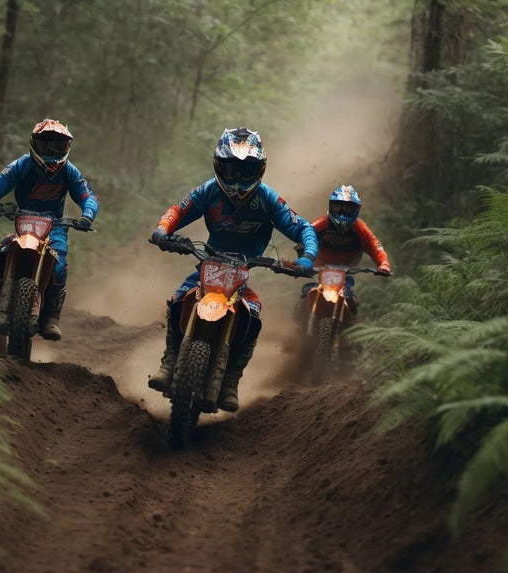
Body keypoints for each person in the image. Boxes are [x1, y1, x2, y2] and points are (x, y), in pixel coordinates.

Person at [147, 126, 318, 411]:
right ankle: (168, 362)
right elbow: (179, 209)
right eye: (231, 169)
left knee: (253, 315)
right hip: (209, 263)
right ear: (218, 165)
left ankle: (231, 382)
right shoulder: (209, 190)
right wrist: (163, 230)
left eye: (245, 170)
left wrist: (307, 256)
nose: (237, 179)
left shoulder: (267, 198)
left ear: (259, 169)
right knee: (180, 297)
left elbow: (301, 227)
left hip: (242, 272)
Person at [0, 119, 100, 341]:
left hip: (55, 226)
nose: (52, 152)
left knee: (59, 263)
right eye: (46, 146)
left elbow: (87, 195)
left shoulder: (69, 171)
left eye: (58, 146)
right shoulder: (22, 165)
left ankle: (51, 318)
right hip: (22, 220)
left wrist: (87, 215)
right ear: (35, 144)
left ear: (67, 148)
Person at [299, 184, 392, 320]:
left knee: (351, 299)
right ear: (331, 206)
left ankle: (349, 330)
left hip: (346, 270)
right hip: (319, 268)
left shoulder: (360, 229)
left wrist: (383, 264)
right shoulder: (320, 224)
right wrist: (302, 260)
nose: (343, 212)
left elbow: (374, 246)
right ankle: (301, 322)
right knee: (308, 291)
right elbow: (304, 238)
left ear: (356, 210)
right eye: (338, 207)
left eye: (348, 209)